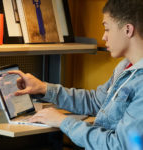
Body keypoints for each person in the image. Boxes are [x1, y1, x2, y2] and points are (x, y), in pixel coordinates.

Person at [8, 0, 143, 149]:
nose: (104, 37)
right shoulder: (124, 67)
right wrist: (43, 88)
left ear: (128, 30)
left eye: (107, 29)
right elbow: (97, 102)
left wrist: (62, 122)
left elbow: (119, 146)